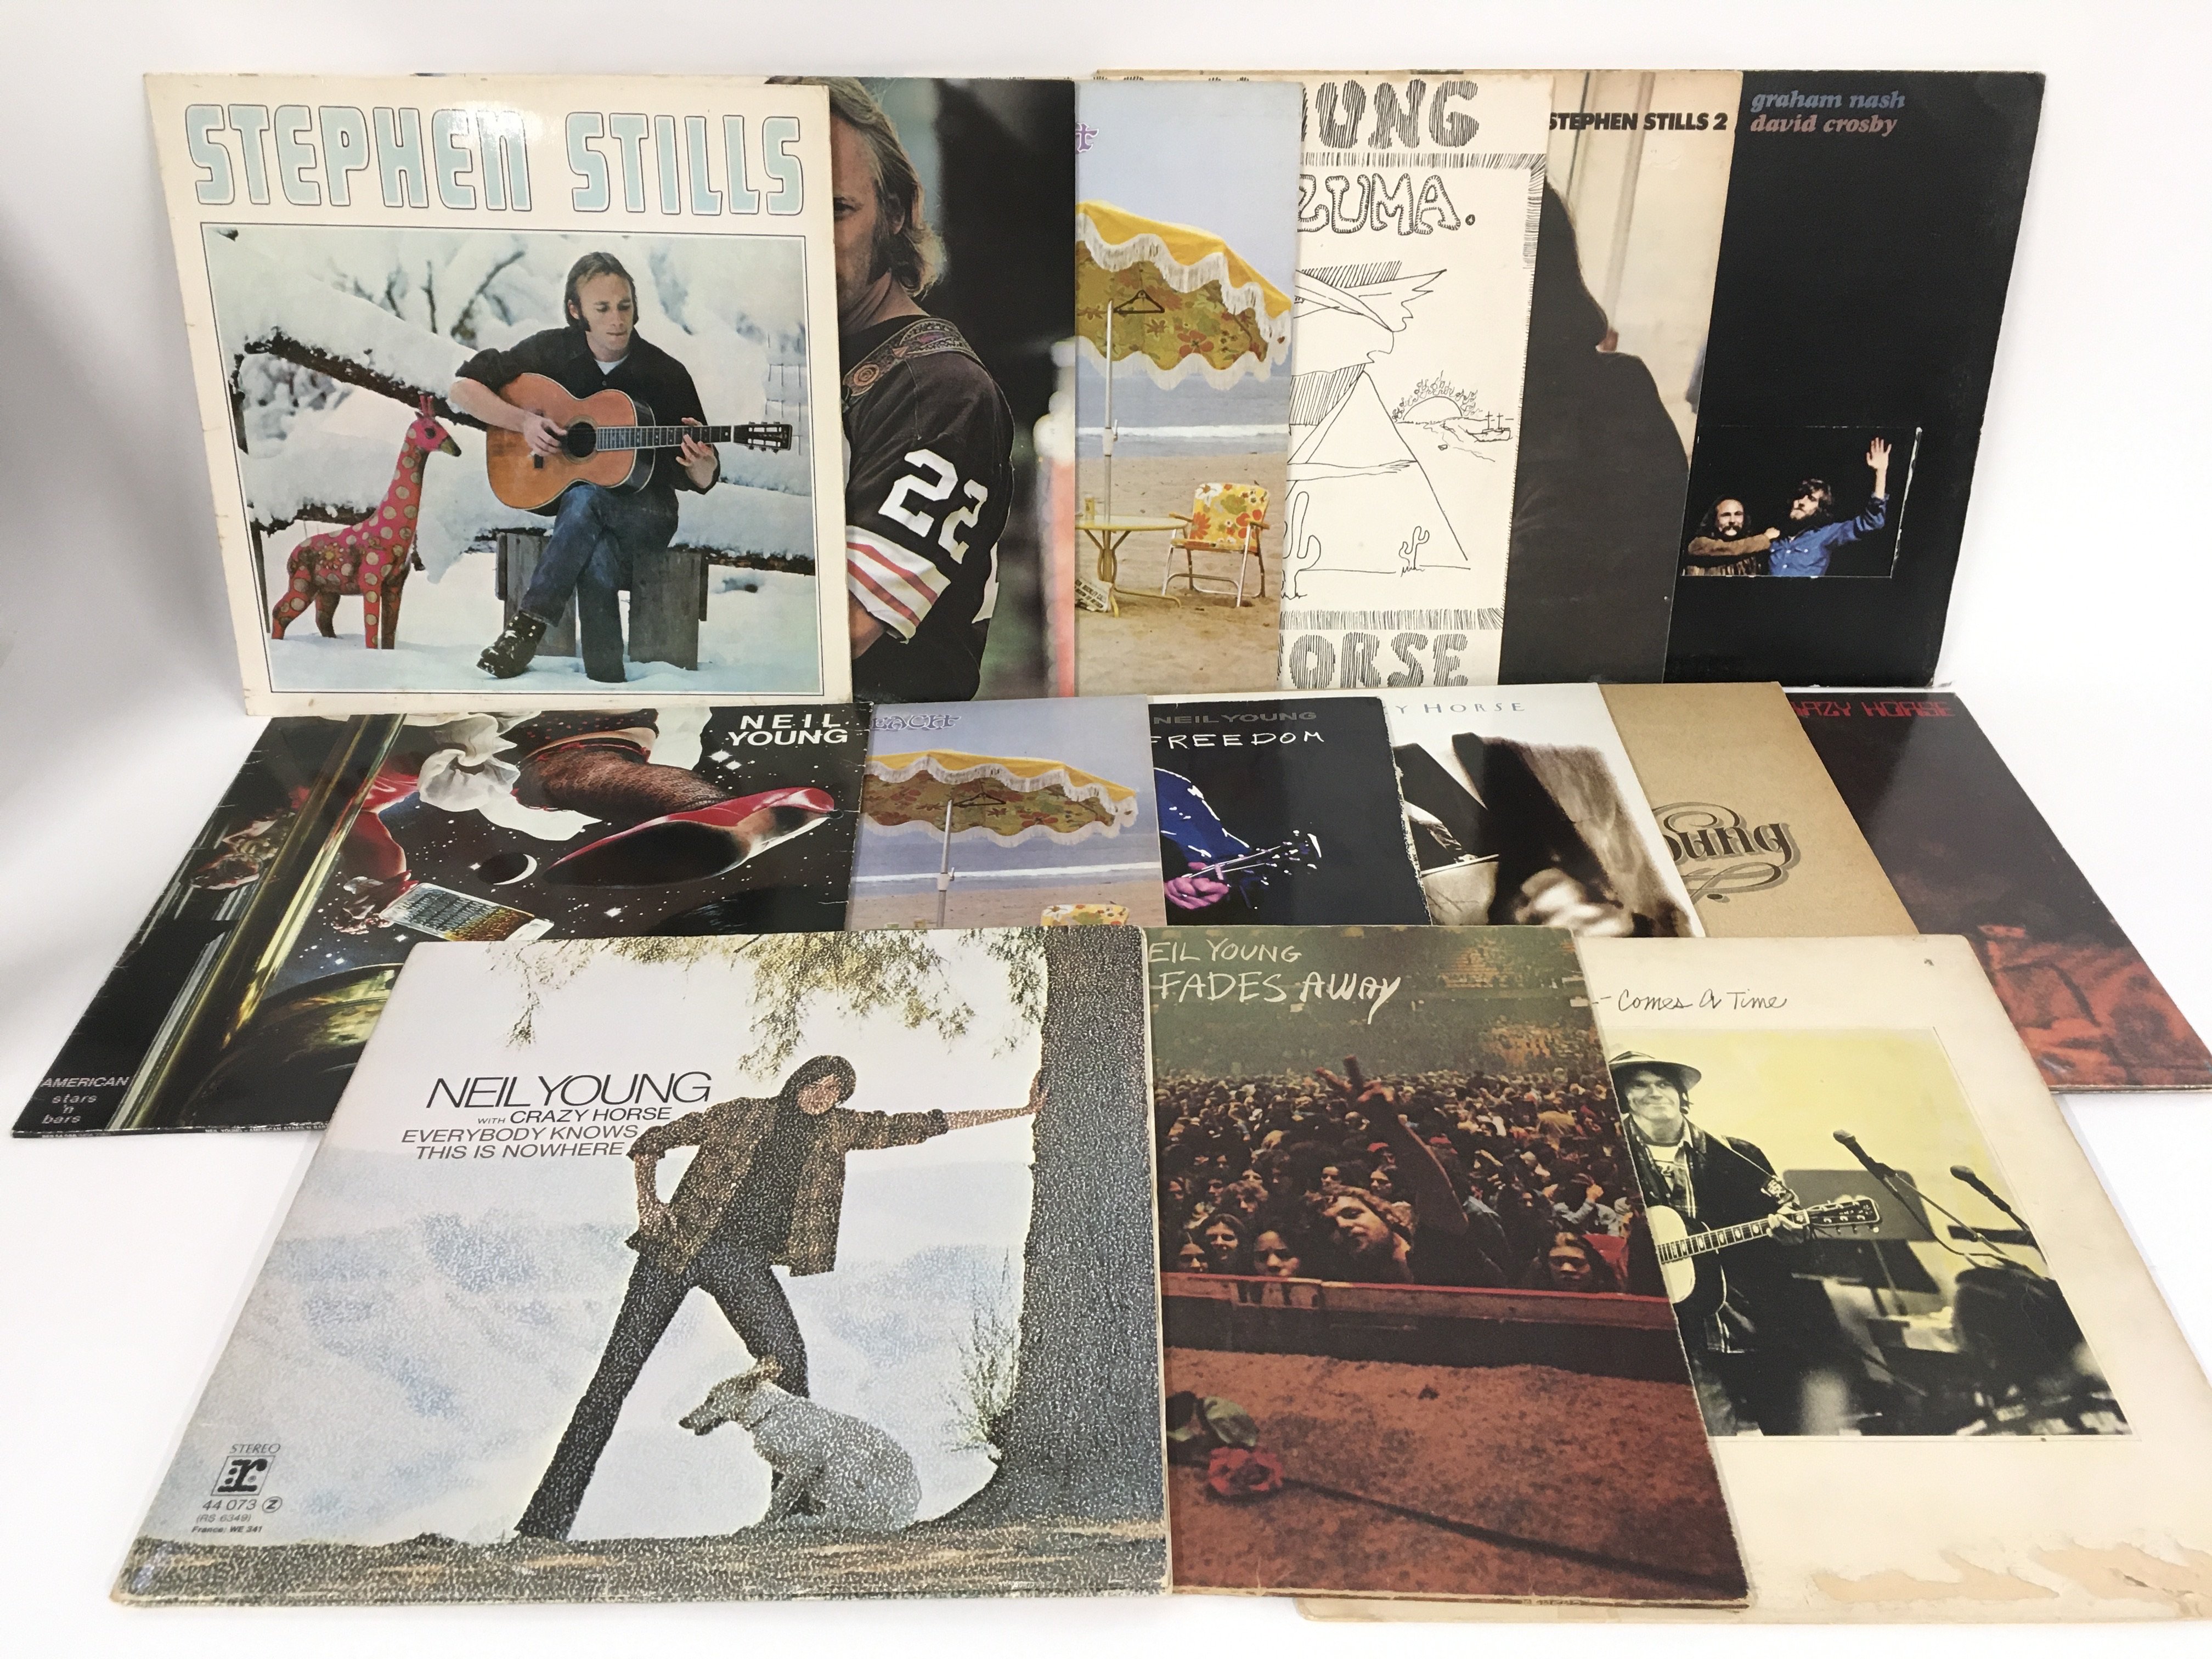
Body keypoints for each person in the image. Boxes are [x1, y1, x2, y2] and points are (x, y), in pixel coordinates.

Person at [515, 1053, 1043, 1539]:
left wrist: (1018, 1112)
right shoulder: (740, 1113)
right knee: (613, 1379)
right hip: (676, 1248)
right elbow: (652, 1142)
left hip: (742, 1264)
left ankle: (792, 1519)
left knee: (788, 1363)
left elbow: (917, 1126)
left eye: (836, 1092)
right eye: (819, 1084)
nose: (824, 1096)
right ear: (799, 1081)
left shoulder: (839, 1130)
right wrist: (648, 1203)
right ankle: (544, 1524)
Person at [797, 77, 1015, 703]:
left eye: (837, 210)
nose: (809, 238)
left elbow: (846, 629)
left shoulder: (942, 389)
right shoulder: (796, 356)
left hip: (885, 743)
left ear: (894, 213)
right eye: (786, 213)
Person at [460, 253, 721, 684]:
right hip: (577, 523)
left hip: (648, 516)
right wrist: (523, 422)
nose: (617, 319)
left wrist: (703, 463)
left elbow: (702, 477)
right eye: (602, 308)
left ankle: (527, 628)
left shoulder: (666, 373)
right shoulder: (549, 352)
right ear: (575, 310)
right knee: (594, 546)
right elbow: (463, 388)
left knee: (584, 499)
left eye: (625, 306)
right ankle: (606, 677)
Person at [1610, 1051, 1839, 1435]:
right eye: (1640, 1085)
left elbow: (1792, 1227)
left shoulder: (1736, 1154)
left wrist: (1792, 1232)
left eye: (1664, 1083)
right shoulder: (1616, 1156)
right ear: (1622, 1097)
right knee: (1710, 1447)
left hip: (1750, 1323)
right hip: (1677, 1336)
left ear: (1681, 1094)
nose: (1654, 1092)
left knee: (1793, 1438)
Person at [1765, 437, 1892, 577]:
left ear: (1820, 508)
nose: (1802, 502)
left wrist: (1881, 472)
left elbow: (1871, 522)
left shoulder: (1826, 535)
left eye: (1812, 499)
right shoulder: (1775, 536)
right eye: (1800, 496)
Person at [1680, 496, 1776, 577]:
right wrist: (1764, 539)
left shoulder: (1753, 549)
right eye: (1726, 515)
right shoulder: (1698, 544)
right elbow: (1730, 549)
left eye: (1738, 514)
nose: (1732, 521)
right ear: (1714, 520)